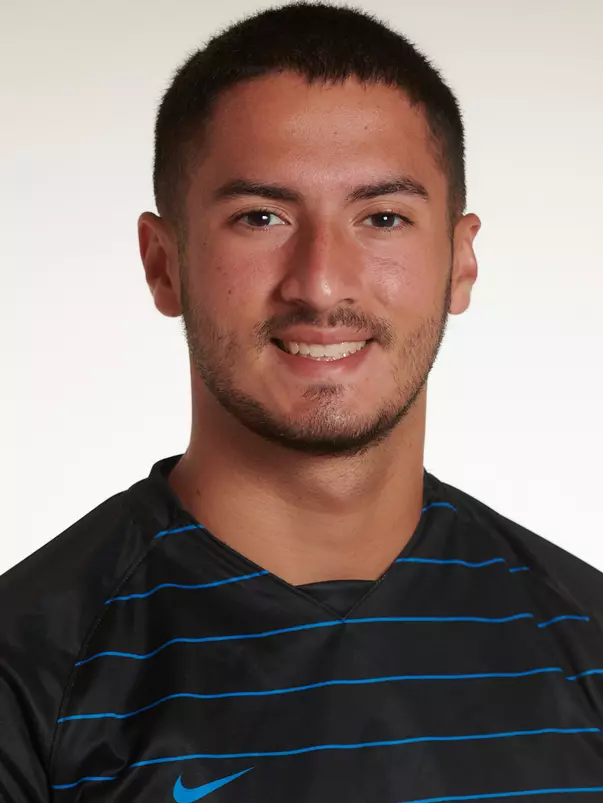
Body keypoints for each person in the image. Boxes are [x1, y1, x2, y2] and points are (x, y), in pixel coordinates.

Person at [2, 2, 603, 801]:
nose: (320, 282)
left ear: (459, 263)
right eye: (261, 217)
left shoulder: (587, 640)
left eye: (382, 217)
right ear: (163, 263)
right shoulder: (27, 667)